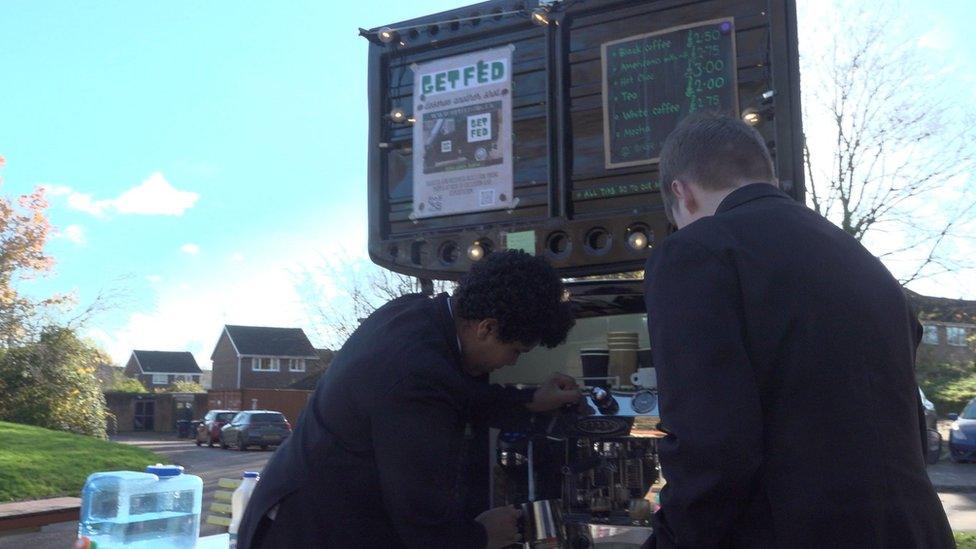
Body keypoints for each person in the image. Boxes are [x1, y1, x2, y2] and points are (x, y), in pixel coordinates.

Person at [641, 113, 953, 547]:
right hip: (916, 530)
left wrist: (673, 538)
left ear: (682, 193)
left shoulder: (695, 251)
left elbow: (710, 444)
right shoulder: (864, 262)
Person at [237, 251, 580, 548]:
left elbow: (457, 396)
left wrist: (532, 400)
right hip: (308, 531)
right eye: (516, 351)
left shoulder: (417, 314)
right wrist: (481, 535)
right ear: (487, 328)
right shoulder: (414, 375)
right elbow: (420, 520)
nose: (512, 362)